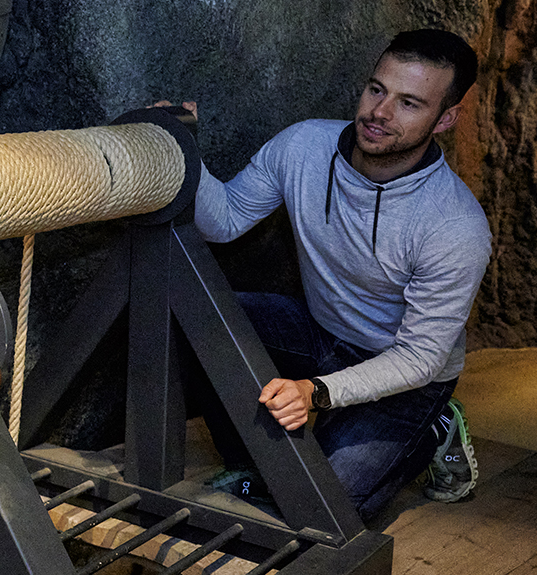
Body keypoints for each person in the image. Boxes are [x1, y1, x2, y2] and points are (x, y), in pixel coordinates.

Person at [167, 28, 489, 522]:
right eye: (377, 89)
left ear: (445, 118)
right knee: (196, 313)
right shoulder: (304, 146)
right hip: (320, 332)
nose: (379, 113)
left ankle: (432, 428)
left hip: (406, 373)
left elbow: (421, 358)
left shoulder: (455, 226)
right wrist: (182, 145)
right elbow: (225, 220)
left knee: (326, 505)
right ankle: (252, 460)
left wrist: (314, 391)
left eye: (409, 103)